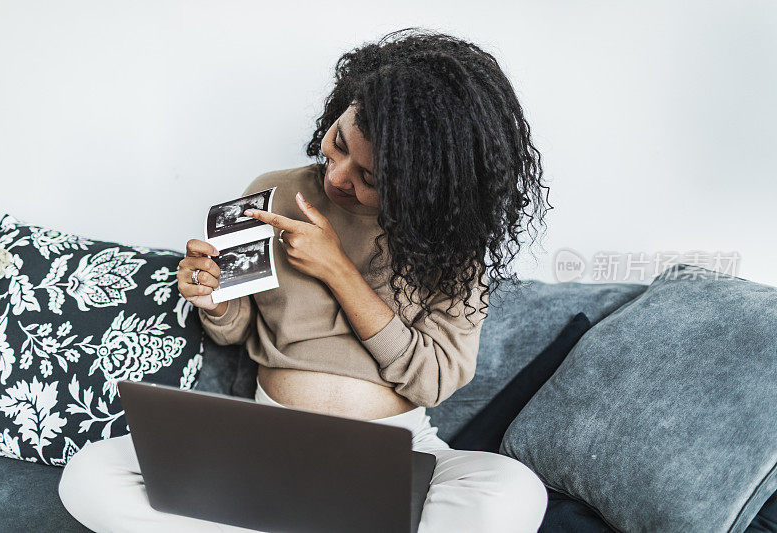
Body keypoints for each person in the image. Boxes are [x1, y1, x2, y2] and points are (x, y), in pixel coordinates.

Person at [59, 27, 553, 532]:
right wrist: (213, 298)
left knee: (511, 490)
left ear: (422, 188)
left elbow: (433, 380)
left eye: (371, 179)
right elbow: (235, 328)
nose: (338, 177)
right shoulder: (270, 193)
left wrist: (337, 269)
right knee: (89, 476)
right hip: (265, 440)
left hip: (398, 450)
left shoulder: (451, 246)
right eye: (338, 144)